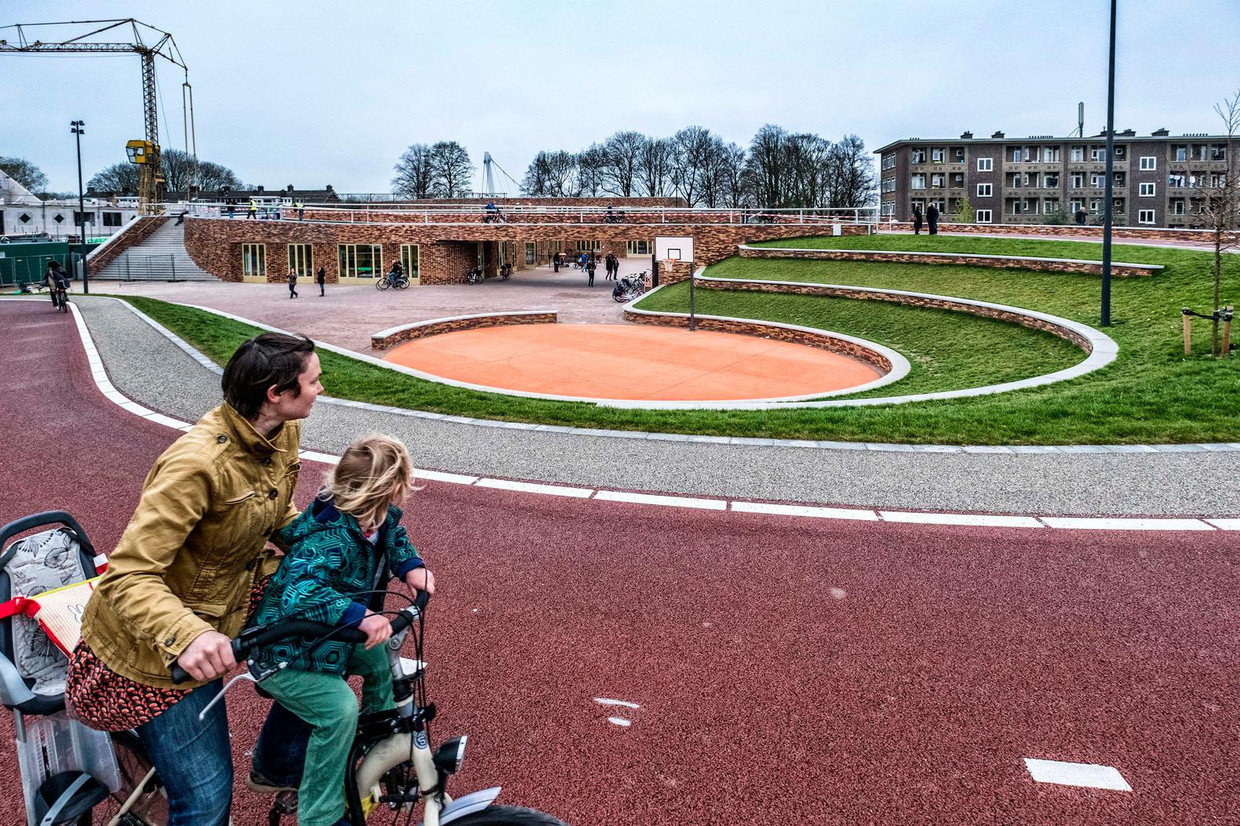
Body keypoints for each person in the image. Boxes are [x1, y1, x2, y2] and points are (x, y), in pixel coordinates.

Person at [67, 333, 323, 826]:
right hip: (157, 650)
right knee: (206, 801)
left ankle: (277, 764)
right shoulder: (196, 465)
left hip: (229, 598)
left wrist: (338, 544)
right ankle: (136, 750)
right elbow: (129, 574)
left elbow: (276, 514)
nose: (320, 390)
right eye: (313, 382)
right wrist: (190, 635)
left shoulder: (281, 430)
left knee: (336, 626)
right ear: (277, 392)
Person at [249, 434, 436, 826]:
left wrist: (411, 566)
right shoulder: (327, 535)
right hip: (286, 651)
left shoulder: (376, 515)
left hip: (326, 639)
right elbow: (301, 591)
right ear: (392, 487)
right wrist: (360, 615)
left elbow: (393, 537)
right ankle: (321, 816)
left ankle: (381, 741)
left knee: (382, 660)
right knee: (337, 711)